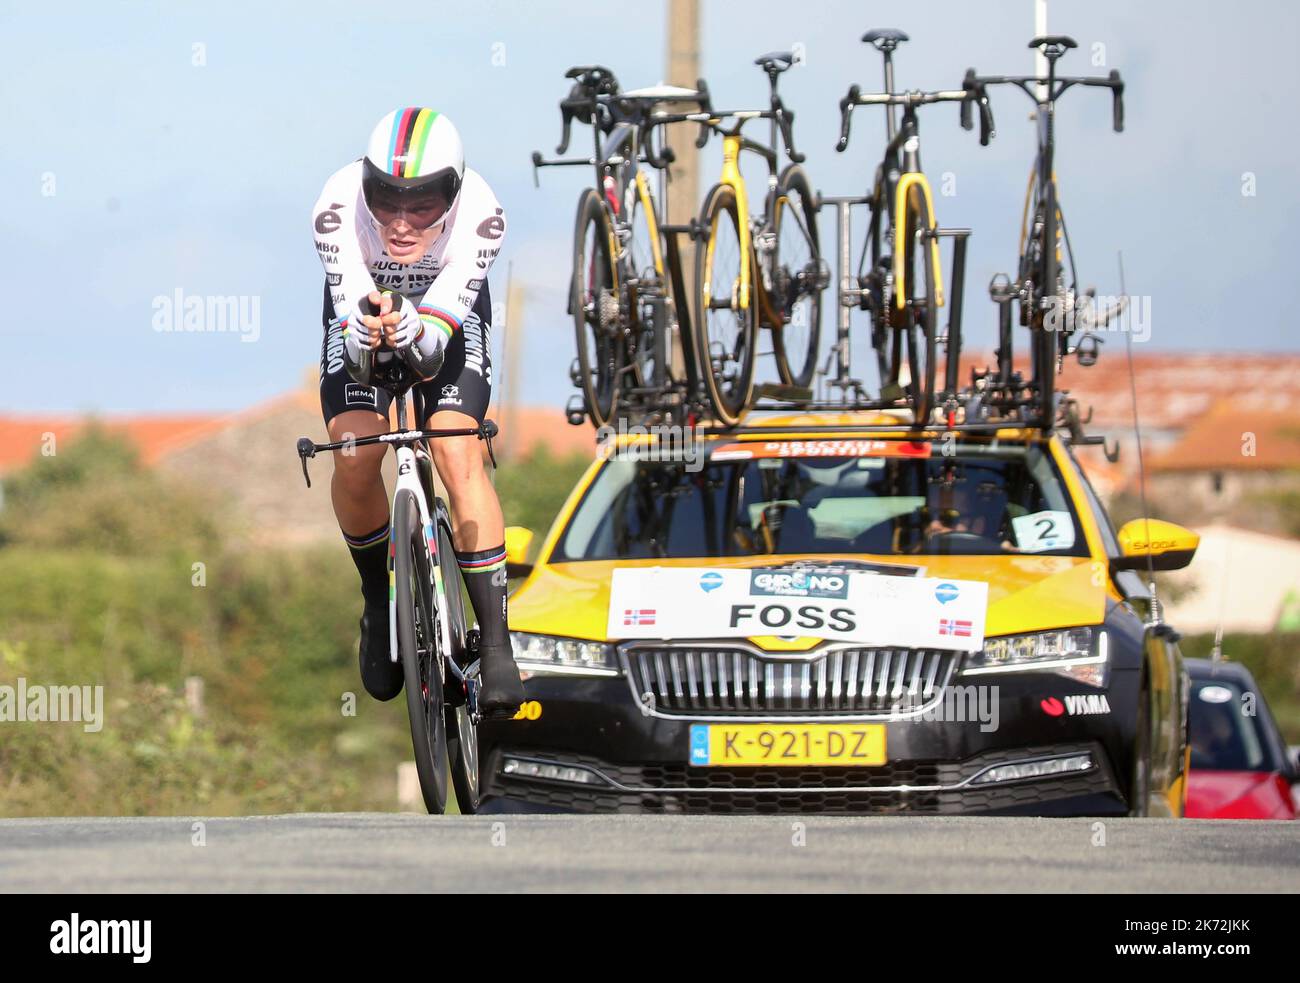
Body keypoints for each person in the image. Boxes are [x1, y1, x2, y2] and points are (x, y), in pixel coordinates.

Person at [311, 107, 525, 714]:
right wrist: (372, 332)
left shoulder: (484, 215)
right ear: (365, 185)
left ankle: (499, 644)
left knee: (456, 446)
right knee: (355, 453)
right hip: (363, 309)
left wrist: (412, 330)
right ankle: (378, 603)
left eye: (423, 204)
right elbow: (353, 348)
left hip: (446, 317)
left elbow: (432, 351)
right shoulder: (335, 208)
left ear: (453, 194)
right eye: (386, 199)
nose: (401, 223)